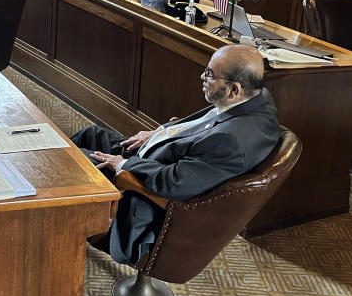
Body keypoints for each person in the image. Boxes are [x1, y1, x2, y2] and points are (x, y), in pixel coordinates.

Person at [72, 44, 280, 265]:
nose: (202, 77)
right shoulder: (256, 99)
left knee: (74, 161)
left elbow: (172, 182)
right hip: (159, 154)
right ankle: (70, 209)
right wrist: (158, 133)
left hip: (145, 190)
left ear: (234, 89)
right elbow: (204, 124)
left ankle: (59, 216)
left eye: (209, 74)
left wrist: (123, 163)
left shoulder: (230, 142)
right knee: (91, 134)